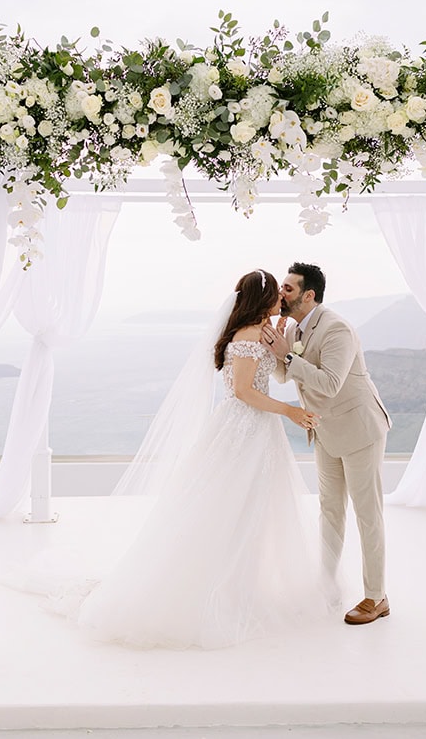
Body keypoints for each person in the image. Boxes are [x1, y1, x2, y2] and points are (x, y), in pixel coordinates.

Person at [42, 269, 332, 649]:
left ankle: (238, 588)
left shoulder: (255, 332)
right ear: (262, 299)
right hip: (244, 431)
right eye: (276, 292)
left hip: (255, 430)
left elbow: (266, 375)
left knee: (250, 510)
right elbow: (244, 391)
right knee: (231, 509)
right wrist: (289, 411)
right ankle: (217, 593)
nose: (282, 296)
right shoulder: (247, 337)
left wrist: (278, 339)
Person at [261, 262, 391, 626]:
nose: (281, 293)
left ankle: (376, 597)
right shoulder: (295, 328)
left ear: (308, 295)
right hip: (325, 432)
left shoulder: (336, 328)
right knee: (330, 511)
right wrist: (275, 350)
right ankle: (327, 587)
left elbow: (331, 383)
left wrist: (287, 354)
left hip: (360, 430)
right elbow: (286, 375)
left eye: (287, 288)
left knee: (368, 514)